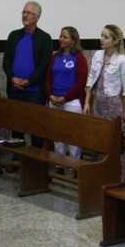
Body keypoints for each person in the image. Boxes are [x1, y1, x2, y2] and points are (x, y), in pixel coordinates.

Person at [84, 25, 125, 181]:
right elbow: (90, 80)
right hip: (98, 102)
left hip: (113, 104)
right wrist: (87, 102)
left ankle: (119, 177)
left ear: (115, 40)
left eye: (106, 37)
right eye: (101, 35)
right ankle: (100, 174)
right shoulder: (97, 55)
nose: (101, 39)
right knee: (99, 140)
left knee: (115, 143)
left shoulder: (122, 60)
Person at [45, 26, 88, 161]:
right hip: (54, 100)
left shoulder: (79, 58)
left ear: (73, 40)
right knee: (58, 135)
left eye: (65, 37)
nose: (61, 39)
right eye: (61, 36)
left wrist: (66, 97)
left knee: (73, 135)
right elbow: (48, 78)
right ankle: (60, 163)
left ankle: (74, 165)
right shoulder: (55, 56)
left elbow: (81, 81)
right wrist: (50, 95)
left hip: (72, 101)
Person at [3, 1, 52, 105]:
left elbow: (43, 65)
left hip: (35, 93)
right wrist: (12, 78)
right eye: (24, 12)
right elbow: (6, 62)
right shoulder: (13, 35)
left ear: (37, 17)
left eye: (29, 13)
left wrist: (28, 81)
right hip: (13, 90)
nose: (25, 15)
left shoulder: (45, 38)